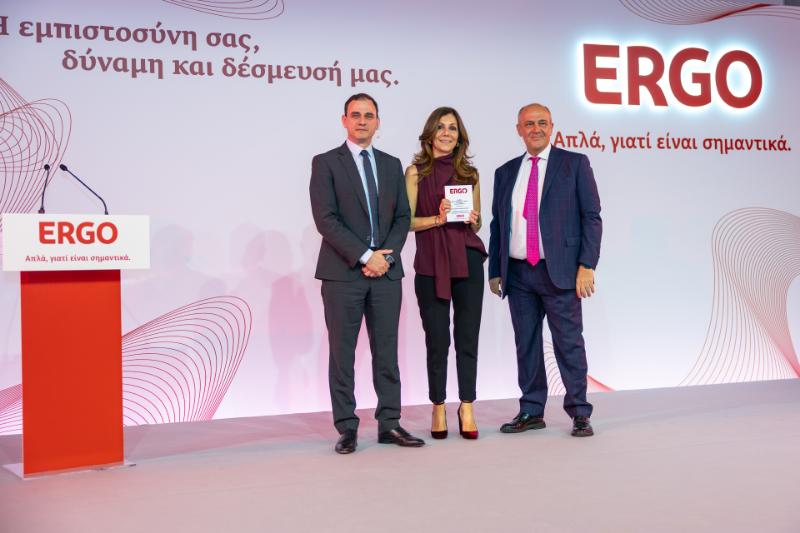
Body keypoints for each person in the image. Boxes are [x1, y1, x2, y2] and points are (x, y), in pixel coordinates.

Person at [309, 93, 425, 453]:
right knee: (342, 355)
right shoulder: (325, 163)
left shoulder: (391, 164)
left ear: (378, 122)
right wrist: (364, 256)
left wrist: (384, 257)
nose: (362, 121)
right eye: (356, 115)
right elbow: (325, 219)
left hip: (386, 274)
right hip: (343, 274)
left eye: (369, 115)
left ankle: (390, 423)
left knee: (387, 352)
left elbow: (402, 217)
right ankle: (346, 427)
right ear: (344, 120)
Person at [488, 103, 602, 437]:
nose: (535, 129)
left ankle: (579, 412)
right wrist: (495, 268)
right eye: (528, 124)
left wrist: (587, 265)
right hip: (518, 273)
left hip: (561, 271)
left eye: (541, 123)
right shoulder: (505, 172)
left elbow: (591, 217)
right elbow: (498, 224)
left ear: (552, 127)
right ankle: (531, 410)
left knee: (568, 343)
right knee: (526, 344)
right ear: (518, 129)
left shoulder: (574, 164)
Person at [405, 107, 486, 440]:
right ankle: (438, 405)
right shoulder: (414, 173)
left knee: (467, 338)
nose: (447, 133)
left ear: (460, 136)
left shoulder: (470, 173)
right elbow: (406, 222)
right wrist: (438, 218)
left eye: (453, 128)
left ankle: (467, 406)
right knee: (437, 340)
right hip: (430, 263)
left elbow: (477, 224)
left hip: (467, 259)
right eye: (441, 127)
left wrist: (473, 219)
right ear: (430, 133)